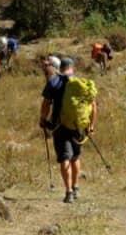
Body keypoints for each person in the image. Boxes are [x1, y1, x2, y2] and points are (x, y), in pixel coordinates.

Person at [39, 57, 98, 203]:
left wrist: (43, 119)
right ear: (73, 68)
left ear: (60, 68)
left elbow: (46, 104)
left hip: (60, 126)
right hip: (78, 126)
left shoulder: (53, 81)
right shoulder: (81, 83)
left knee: (65, 158)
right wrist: (91, 126)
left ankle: (69, 192)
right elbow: (94, 106)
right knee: (76, 157)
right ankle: (76, 186)